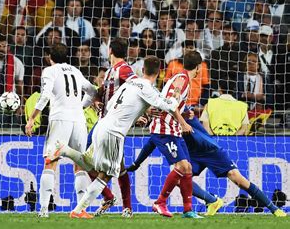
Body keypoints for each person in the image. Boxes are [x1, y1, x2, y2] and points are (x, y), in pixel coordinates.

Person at [48, 56, 180, 219]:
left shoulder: (131, 83)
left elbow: (111, 105)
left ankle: (66, 150)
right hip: (114, 133)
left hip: (102, 124)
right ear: (159, 72)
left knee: (91, 164)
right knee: (106, 174)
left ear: (142, 70)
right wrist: (175, 100)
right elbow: (166, 106)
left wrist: (134, 116)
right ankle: (78, 210)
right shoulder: (148, 88)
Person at [128, 111, 287, 217]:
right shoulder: (159, 124)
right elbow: (152, 142)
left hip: (209, 149)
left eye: (147, 111)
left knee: (237, 178)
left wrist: (189, 113)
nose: (146, 115)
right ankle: (212, 200)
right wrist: (137, 163)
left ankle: (274, 209)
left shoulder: (178, 110)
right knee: (177, 177)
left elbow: (187, 112)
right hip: (192, 155)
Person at [25, 43, 97, 218]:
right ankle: (80, 210)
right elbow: (92, 91)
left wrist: (32, 118)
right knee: (79, 165)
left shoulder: (50, 71)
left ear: (50, 57)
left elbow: (46, 95)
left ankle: (43, 210)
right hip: (79, 120)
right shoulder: (75, 71)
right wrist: (81, 106)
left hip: (60, 119)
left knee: (51, 161)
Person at [147, 51, 202, 218]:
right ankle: (160, 202)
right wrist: (184, 123)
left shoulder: (180, 77)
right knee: (181, 167)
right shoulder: (183, 80)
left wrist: (185, 113)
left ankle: (188, 210)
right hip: (164, 129)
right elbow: (171, 105)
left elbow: (172, 104)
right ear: (199, 68)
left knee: (188, 168)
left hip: (172, 129)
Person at [92, 38, 137, 218]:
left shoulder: (124, 69)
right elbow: (103, 90)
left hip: (115, 124)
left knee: (117, 165)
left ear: (110, 50)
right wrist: (97, 99)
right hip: (104, 123)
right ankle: (111, 199)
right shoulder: (111, 71)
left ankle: (124, 206)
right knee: (90, 162)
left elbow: (137, 86)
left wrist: (140, 112)